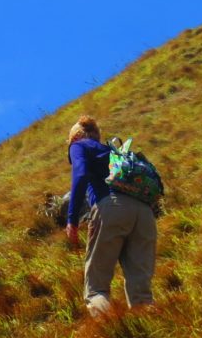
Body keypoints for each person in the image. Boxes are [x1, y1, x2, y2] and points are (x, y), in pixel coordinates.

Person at [65, 116, 156, 316]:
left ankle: (106, 337)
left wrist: (71, 220)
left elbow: (80, 175)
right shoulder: (113, 153)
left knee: (96, 288)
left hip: (111, 208)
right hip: (144, 212)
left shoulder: (78, 146)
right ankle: (151, 331)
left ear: (75, 138)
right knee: (141, 289)